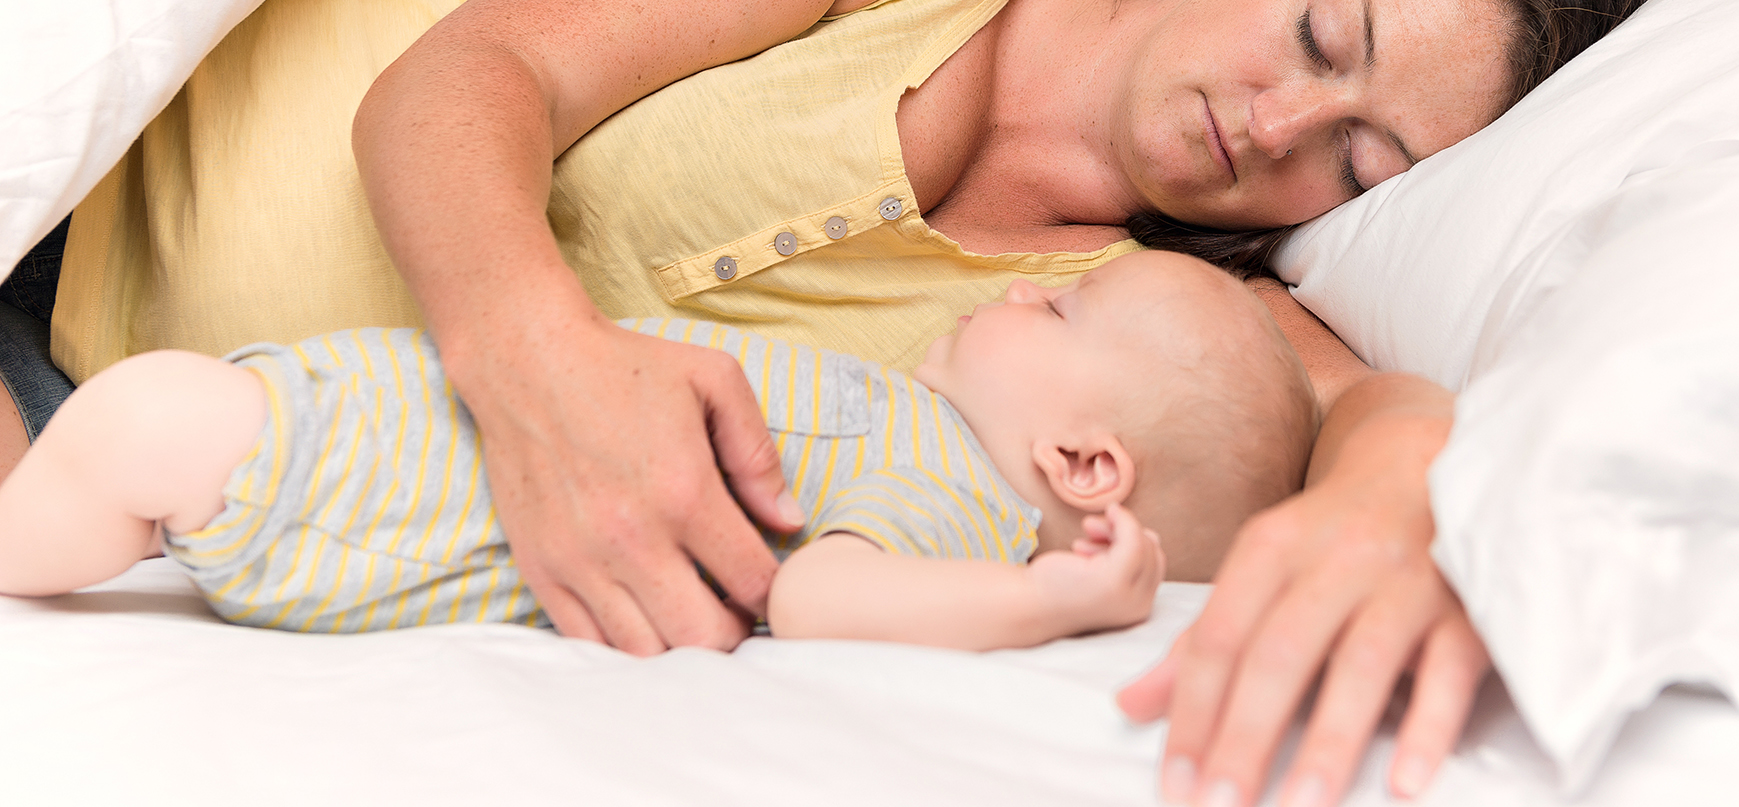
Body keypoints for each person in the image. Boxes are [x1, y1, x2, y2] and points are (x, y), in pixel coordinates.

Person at [3, 0, 1648, 804]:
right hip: (108, 135)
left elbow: (1385, 413)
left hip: (126, 416)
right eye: (1321, 40)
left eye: (1357, 165)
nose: (1279, 126)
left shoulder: (1148, 330)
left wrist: (1376, 512)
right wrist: (539, 373)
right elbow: (464, 82)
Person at [0, 251, 1316, 653]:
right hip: (397, 416)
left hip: (387, 489)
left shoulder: (947, 494)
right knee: (135, 434)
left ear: (1085, 463)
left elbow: (819, 594)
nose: (1027, 295)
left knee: (137, 430)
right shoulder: (916, 424)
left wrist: (1043, 597)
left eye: (1066, 313)